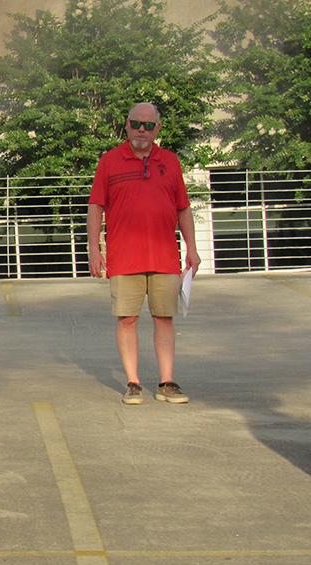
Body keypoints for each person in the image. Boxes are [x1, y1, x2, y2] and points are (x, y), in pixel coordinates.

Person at [87, 102, 201, 406]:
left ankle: (167, 382)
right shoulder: (109, 161)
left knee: (164, 318)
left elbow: (183, 208)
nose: (141, 130)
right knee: (127, 318)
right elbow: (96, 206)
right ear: (126, 125)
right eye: (136, 124)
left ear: (157, 129)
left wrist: (191, 248)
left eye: (148, 126)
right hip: (124, 258)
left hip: (164, 257)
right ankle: (133, 383)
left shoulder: (170, 162)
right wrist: (94, 249)